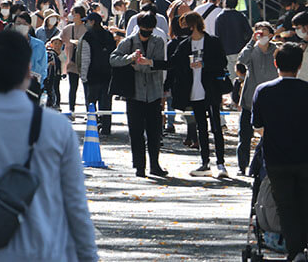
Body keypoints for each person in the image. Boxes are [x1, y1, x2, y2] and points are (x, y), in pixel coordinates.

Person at [0, 31, 98, 261]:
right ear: (27, 70)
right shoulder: (58, 128)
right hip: (48, 250)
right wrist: (88, 256)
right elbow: (76, 205)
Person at [251, 43, 308, 261]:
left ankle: (294, 250)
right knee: (304, 201)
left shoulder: (264, 91)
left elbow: (258, 125)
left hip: (277, 158)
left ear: (276, 63)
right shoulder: (306, 90)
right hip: (305, 156)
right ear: (300, 65)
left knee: (285, 205)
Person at [170, 11, 229, 178]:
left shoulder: (212, 42)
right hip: (193, 91)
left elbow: (222, 62)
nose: (183, 30)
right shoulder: (184, 45)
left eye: (185, 26)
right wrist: (151, 63)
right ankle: (205, 162)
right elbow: (173, 63)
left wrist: (203, 64)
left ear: (193, 25)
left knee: (216, 127)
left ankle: (220, 163)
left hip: (210, 89)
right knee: (201, 128)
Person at [110, 12, 168, 177]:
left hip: (154, 92)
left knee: (154, 132)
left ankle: (155, 164)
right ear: (138, 27)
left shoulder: (158, 42)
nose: (146, 34)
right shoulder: (128, 42)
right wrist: (130, 59)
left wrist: (142, 65)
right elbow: (113, 59)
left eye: (149, 30)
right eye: (143, 30)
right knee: (135, 132)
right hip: (134, 93)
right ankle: (139, 166)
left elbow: (157, 63)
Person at [236, 22, 278, 176]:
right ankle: (242, 166)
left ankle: (264, 165)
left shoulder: (276, 50)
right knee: (245, 135)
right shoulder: (252, 49)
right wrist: (251, 41)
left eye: (264, 31)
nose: (261, 34)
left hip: (271, 101)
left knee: (269, 135)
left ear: (271, 35)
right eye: (258, 31)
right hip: (250, 99)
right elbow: (241, 60)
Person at [78, 12, 115, 135]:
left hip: (92, 76)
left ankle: (92, 127)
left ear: (92, 22)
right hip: (107, 74)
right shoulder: (109, 35)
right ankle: (106, 128)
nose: (85, 24)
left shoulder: (87, 37)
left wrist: (83, 76)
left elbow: (85, 58)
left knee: (91, 104)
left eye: (87, 21)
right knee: (106, 104)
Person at [215, 0, 253, 76]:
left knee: (232, 76)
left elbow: (217, 36)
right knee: (244, 76)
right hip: (241, 49)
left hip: (226, 51)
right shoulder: (240, 16)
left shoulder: (220, 17)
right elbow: (249, 33)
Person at [60, 5, 87, 115]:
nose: (72, 15)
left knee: (86, 88)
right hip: (71, 62)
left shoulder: (87, 28)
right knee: (73, 87)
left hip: (85, 61)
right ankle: (71, 110)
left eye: (74, 13)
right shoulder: (68, 28)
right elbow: (58, 40)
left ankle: (88, 111)